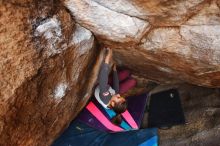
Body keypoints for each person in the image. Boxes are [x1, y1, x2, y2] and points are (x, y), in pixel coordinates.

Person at [94, 47, 127, 125]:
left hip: (104, 85)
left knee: (129, 80)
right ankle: (124, 74)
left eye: (118, 97)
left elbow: (102, 80)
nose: (119, 95)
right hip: (109, 88)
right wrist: (115, 71)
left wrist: (107, 57)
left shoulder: (105, 98)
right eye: (120, 96)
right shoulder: (115, 103)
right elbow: (116, 88)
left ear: (112, 103)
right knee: (126, 74)